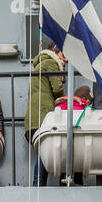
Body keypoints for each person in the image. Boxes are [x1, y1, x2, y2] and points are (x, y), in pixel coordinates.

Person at [25, 39, 65, 186]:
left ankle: (39, 184)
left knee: (44, 151)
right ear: (57, 52)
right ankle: (38, 184)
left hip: (34, 116)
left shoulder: (40, 65)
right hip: (43, 114)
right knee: (46, 151)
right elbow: (57, 89)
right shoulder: (51, 63)